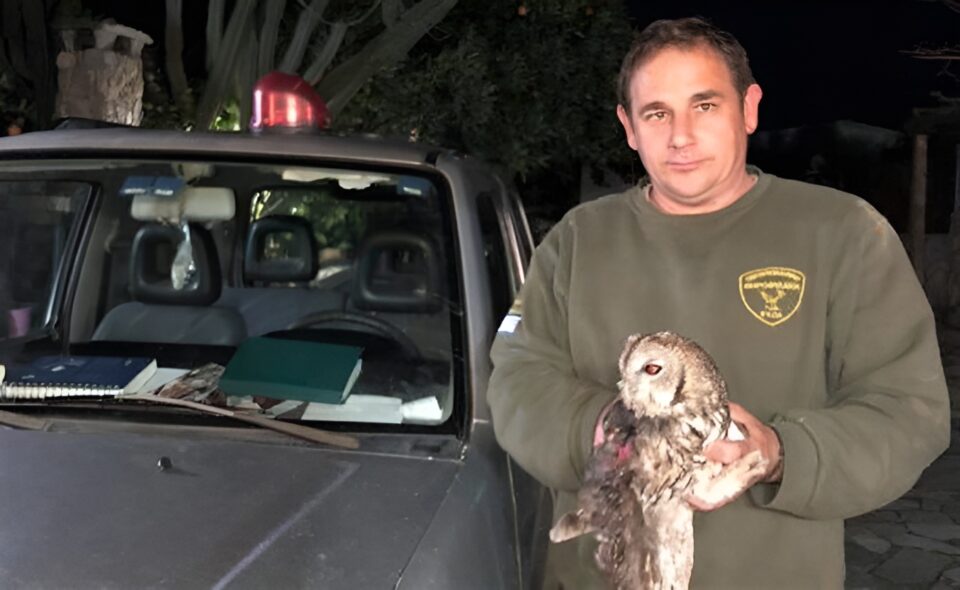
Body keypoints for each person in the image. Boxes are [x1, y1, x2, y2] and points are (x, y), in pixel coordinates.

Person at [487, 16, 950, 589]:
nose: (680, 136)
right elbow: (516, 381)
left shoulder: (844, 234)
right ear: (629, 127)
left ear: (749, 108)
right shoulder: (577, 240)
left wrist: (780, 453)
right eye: (657, 113)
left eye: (704, 105)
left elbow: (908, 412)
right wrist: (601, 427)